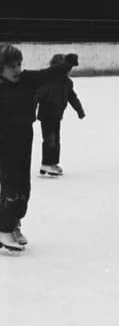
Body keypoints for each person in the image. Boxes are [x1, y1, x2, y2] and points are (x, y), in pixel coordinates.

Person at [0, 44, 69, 251]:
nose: (17, 70)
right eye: (11, 66)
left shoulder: (26, 80)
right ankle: (3, 228)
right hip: (4, 141)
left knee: (23, 186)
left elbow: (47, 74)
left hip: (24, 137)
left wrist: (65, 66)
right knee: (10, 185)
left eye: (19, 64)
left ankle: (13, 223)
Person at [35, 53, 85, 177]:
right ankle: (46, 163)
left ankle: (52, 163)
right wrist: (30, 111)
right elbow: (36, 96)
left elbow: (72, 97)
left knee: (56, 140)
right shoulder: (47, 82)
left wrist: (79, 110)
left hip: (57, 115)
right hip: (46, 115)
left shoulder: (67, 83)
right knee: (50, 140)